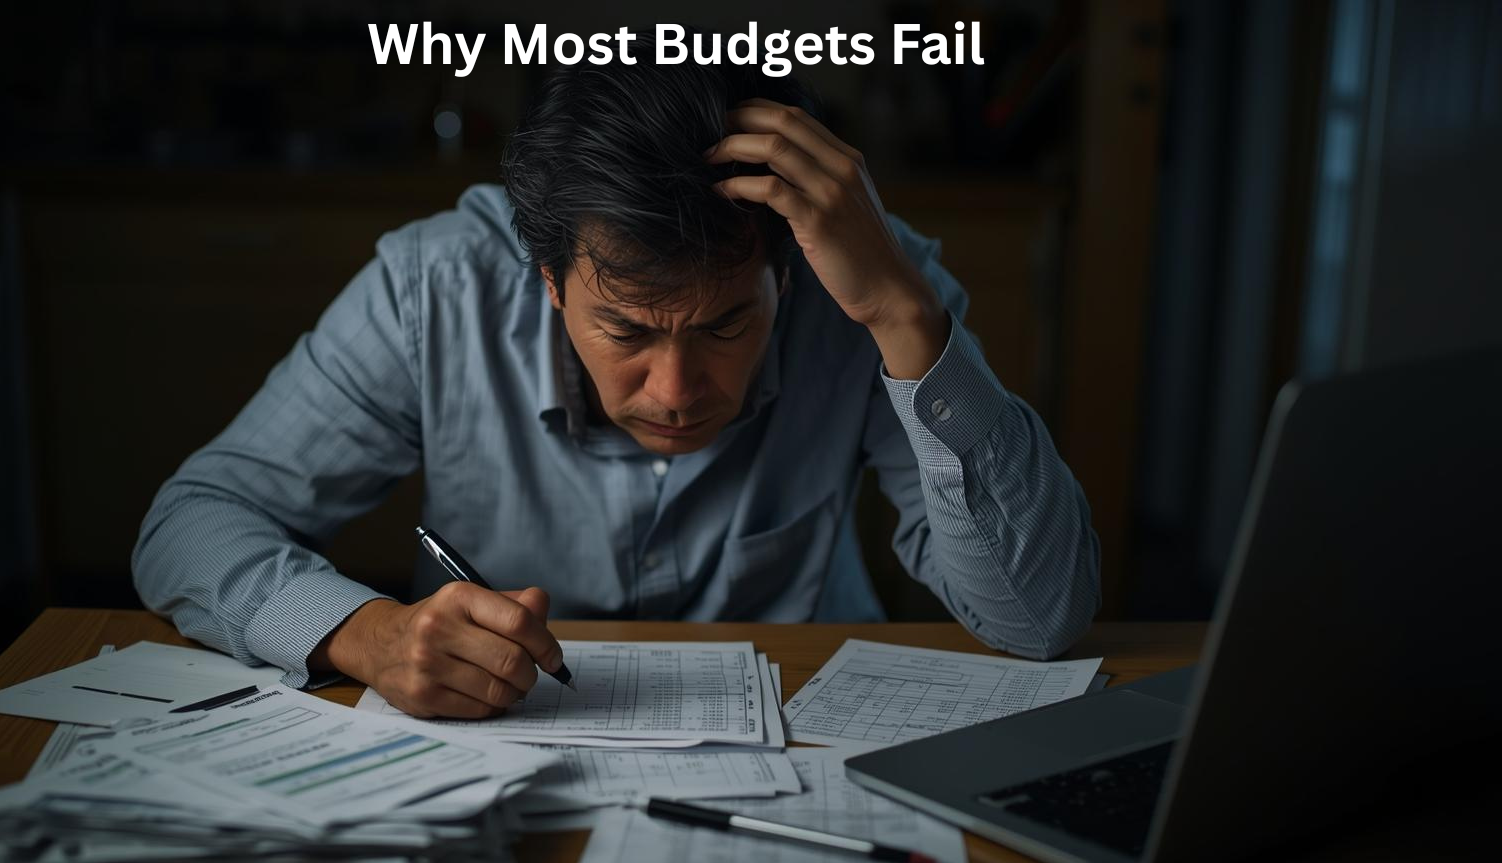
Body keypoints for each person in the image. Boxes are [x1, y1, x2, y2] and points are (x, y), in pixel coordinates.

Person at [133, 39, 1100, 720]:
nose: (677, 391)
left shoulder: (866, 282)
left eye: (727, 324)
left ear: (786, 271)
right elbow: (191, 521)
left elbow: (1039, 620)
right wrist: (364, 632)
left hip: (812, 744)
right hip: (499, 753)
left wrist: (903, 315)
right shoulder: (434, 289)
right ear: (548, 282)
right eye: (627, 330)